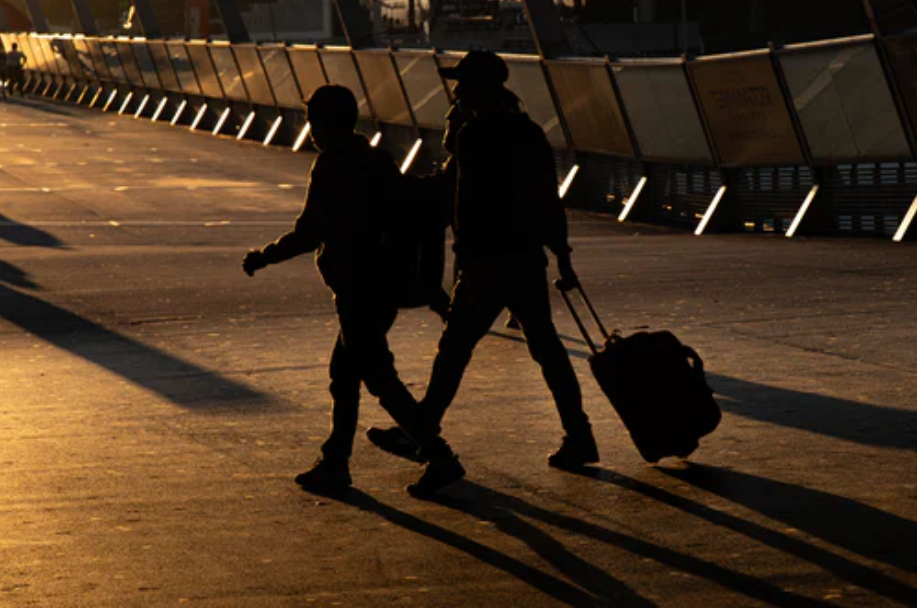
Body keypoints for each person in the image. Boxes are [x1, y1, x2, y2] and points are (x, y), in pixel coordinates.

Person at [369, 51, 599, 470]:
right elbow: (548, 199)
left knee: (454, 350)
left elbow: (461, 201)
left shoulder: (475, 136)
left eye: (460, 84)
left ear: (477, 89)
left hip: (487, 263)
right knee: (546, 349)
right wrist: (561, 256)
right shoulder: (529, 133)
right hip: (527, 258)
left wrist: (461, 261)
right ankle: (579, 434)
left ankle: (421, 432)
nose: (454, 91)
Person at [242, 85, 465, 497]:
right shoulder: (378, 160)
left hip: (357, 289)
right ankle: (336, 460)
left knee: (378, 376)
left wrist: (264, 257)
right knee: (344, 375)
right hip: (384, 288)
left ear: (328, 124)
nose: (310, 130)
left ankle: (438, 455)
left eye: (313, 122)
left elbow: (309, 233)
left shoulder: (332, 167)